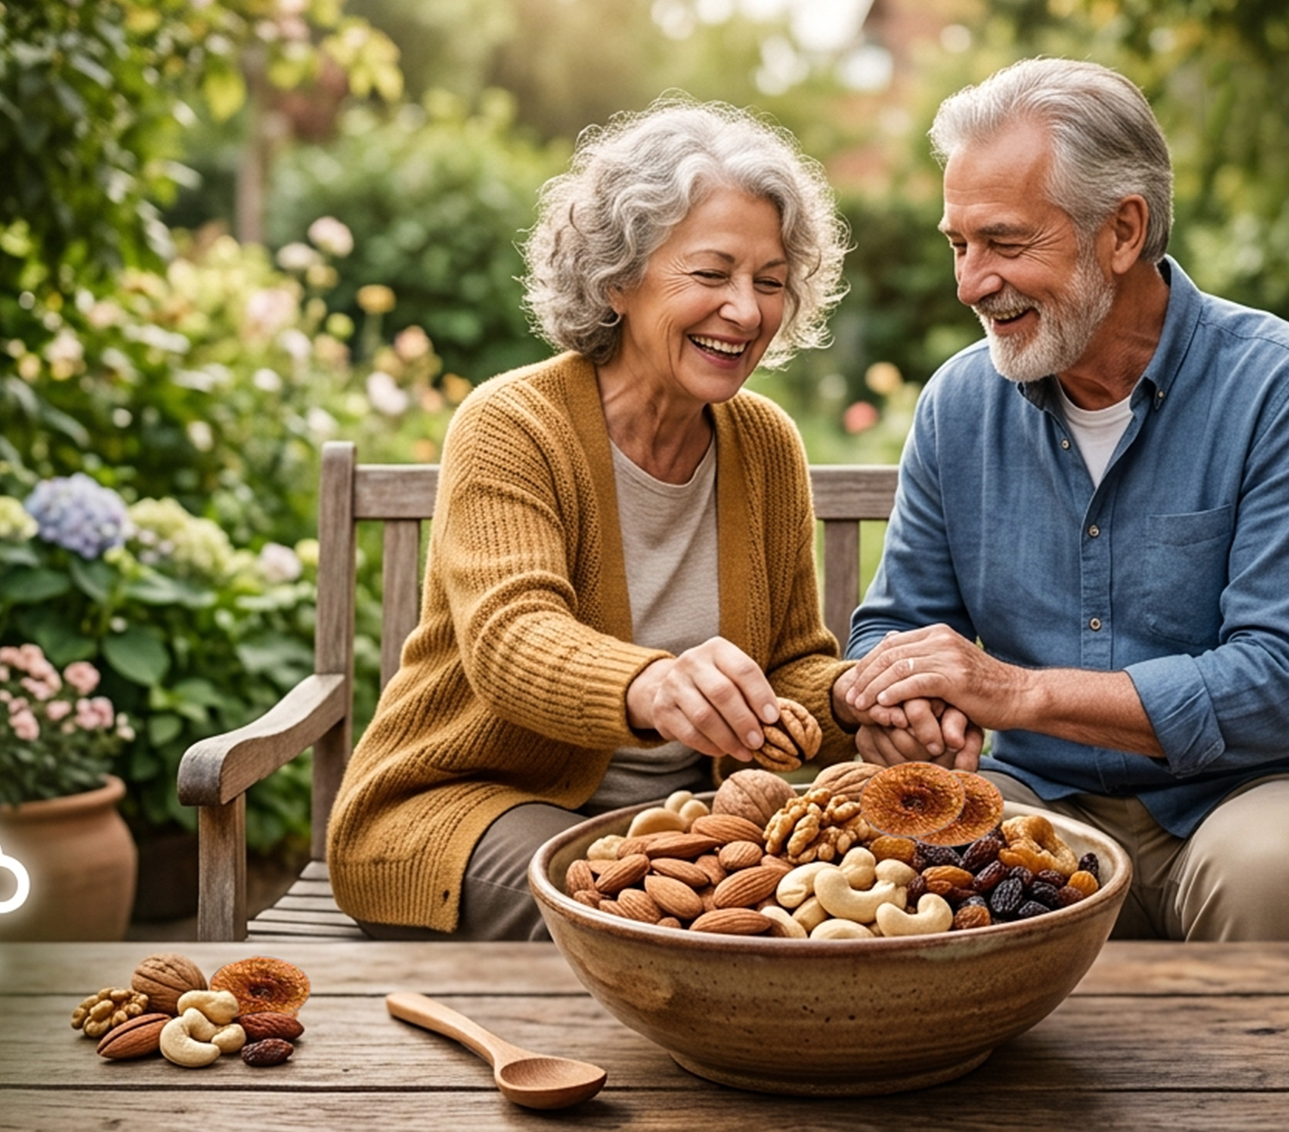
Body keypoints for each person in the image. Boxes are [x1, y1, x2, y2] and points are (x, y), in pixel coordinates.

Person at [843, 58, 1289, 942]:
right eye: (959, 244)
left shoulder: (1283, 387)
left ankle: (1259, 1088)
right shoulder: (958, 403)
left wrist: (1013, 692)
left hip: (1262, 790)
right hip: (1041, 796)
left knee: (1265, 872)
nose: (970, 284)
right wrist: (902, 706)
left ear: (1123, 231)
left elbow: (1282, 684)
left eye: (1006, 242)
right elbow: (893, 626)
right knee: (887, 849)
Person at [329, 99, 910, 939]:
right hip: (470, 802)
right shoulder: (514, 424)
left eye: (770, 281)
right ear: (617, 278)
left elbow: (786, 669)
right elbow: (510, 638)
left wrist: (853, 699)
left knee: (810, 911)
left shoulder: (766, 443)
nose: (746, 311)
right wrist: (653, 683)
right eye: (711, 275)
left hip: (694, 831)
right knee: (600, 908)